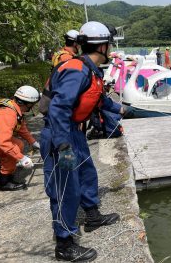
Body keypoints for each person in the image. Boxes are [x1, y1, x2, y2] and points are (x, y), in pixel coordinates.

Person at [40, 21, 124, 262]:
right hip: (60, 135)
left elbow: (98, 99)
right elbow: (58, 108)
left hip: (75, 133)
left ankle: (92, 215)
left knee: (87, 173)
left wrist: (120, 109)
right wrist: (63, 144)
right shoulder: (76, 70)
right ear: (103, 46)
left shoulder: (91, 70)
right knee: (65, 188)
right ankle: (64, 244)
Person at [0, 86, 40, 190]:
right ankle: (4, 182)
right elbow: (2, 143)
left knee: (17, 145)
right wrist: (22, 158)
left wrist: (33, 142)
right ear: (27, 104)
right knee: (14, 147)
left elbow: (20, 126)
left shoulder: (12, 105)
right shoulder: (8, 114)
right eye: (32, 105)